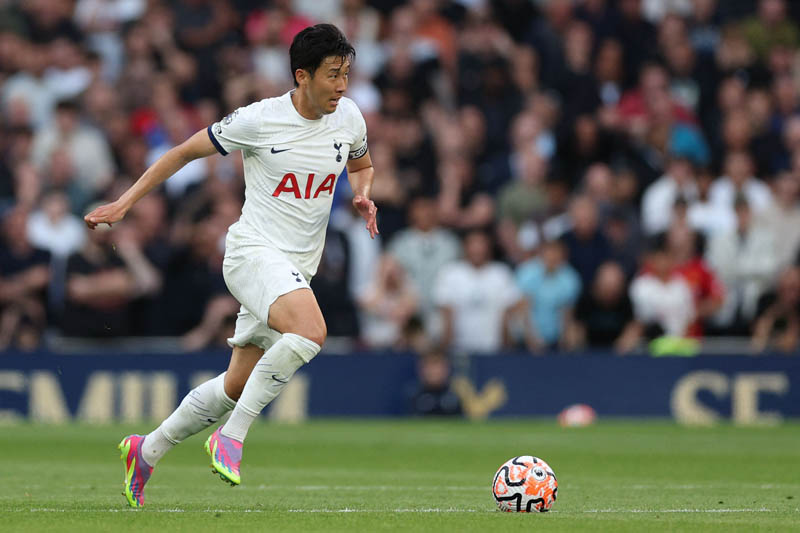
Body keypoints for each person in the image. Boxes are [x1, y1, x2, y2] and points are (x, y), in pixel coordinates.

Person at [84, 25, 378, 508]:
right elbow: (181, 152)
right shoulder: (260, 120)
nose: (343, 85)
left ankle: (147, 449)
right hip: (252, 254)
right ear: (301, 76)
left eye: (347, 74)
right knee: (311, 332)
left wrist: (363, 195)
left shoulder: (347, 118)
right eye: (333, 75)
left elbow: (361, 165)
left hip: (295, 269)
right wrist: (123, 202)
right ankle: (232, 436)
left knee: (236, 384)